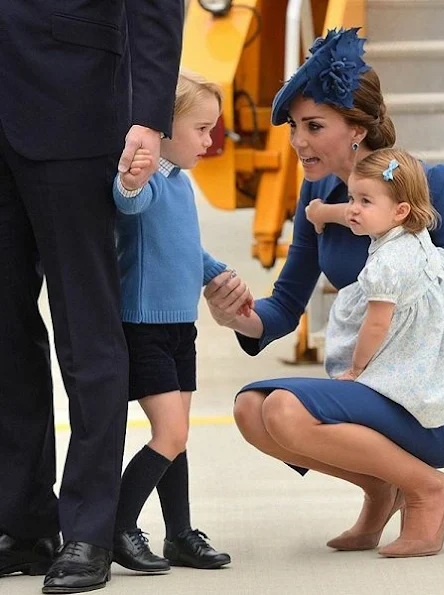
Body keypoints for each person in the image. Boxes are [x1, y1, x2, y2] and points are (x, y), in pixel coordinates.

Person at [202, 28, 444, 557]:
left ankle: (432, 489)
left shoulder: (422, 187)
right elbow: (285, 304)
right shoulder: (316, 194)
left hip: (434, 396)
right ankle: (380, 488)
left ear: (357, 129)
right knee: (253, 409)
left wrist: (416, 348)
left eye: (313, 126)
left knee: (285, 410)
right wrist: (240, 318)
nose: (297, 142)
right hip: (372, 385)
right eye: (295, 127)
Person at [0, 2, 184, 593]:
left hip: (71, 103)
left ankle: (89, 528)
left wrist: (150, 117)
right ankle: (22, 521)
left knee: (86, 330)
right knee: (3, 333)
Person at [111, 69, 252, 574]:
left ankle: (179, 533)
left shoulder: (182, 184)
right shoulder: (148, 179)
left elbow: (185, 248)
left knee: (179, 435)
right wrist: (131, 177)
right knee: (168, 434)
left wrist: (219, 273)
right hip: (145, 326)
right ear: (163, 130)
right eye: (202, 128)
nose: (210, 140)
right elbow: (128, 202)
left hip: (179, 327)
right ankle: (117, 526)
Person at [306, 154, 444, 446]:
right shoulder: (412, 229)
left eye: (364, 202)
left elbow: (377, 324)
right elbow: (357, 209)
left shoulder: (385, 266)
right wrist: (320, 212)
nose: (353, 209)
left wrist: (357, 368)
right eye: (352, 198)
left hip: (415, 328)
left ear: (400, 210)